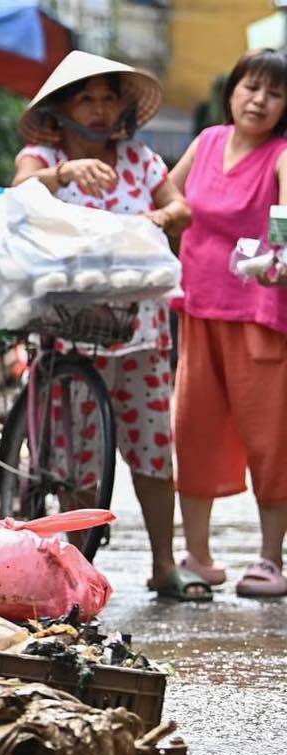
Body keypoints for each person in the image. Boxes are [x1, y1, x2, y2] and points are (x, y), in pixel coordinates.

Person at [12, 51, 206, 602]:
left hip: (140, 327)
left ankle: (165, 564)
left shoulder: (141, 161)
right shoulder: (40, 157)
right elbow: (18, 194)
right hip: (67, 327)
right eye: (85, 98)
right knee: (78, 459)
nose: (98, 111)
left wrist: (159, 217)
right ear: (63, 108)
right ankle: (75, 573)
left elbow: (182, 209)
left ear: (122, 108)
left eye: (108, 98)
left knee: (152, 448)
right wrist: (62, 173)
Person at [169, 49, 287, 597]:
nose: (259, 100)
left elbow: (285, 219)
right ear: (232, 90)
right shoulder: (208, 141)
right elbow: (166, 200)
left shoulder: (283, 155)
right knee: (193, 430)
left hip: (260, 316)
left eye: (275, 93)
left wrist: (280, 257)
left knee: (270, 438)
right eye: (251, 87)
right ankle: (197, 555)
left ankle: (269, 560)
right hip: (196, 309)